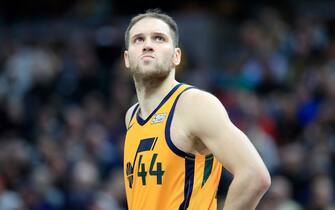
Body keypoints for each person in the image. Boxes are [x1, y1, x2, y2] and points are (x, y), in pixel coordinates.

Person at [123, 9, 271, 210]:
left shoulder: (194, 104)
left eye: (159, 39)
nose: (148, 45)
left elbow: (254, 175)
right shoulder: (131, 116)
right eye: (138, 40)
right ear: (127, 58)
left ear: (176, 56)